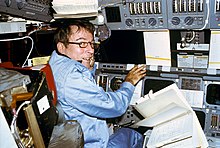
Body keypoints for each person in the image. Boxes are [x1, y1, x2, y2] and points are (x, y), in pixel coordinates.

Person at [49, 19, 147, 148]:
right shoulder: (72, 77)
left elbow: (79, 92)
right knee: (134, 135)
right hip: (91, 144)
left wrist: (88, 70)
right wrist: (129, 82)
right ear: (62, 47)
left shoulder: (56, 64)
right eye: (82, 43)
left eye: (91, 44)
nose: (91, 50)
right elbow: (114, 107)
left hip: (72, 135)